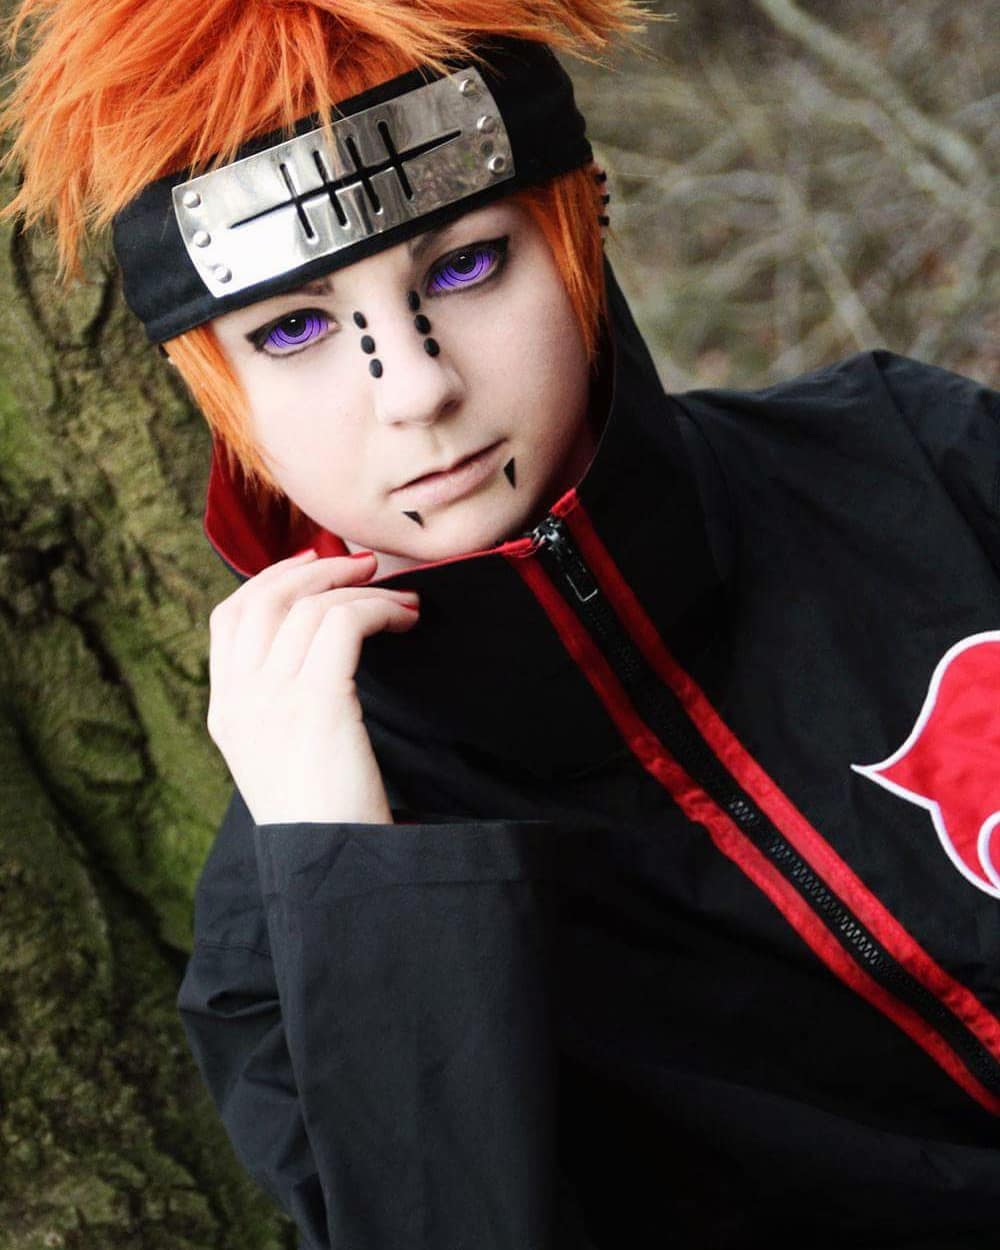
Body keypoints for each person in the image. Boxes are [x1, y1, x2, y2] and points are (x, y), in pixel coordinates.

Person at [3, 1, 999, 1246]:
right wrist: (358, 880)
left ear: (578, 227)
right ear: (220, 391)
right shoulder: (287, 945)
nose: (417, 388)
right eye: (294, 328)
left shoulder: (918, 460)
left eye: (465, 265)